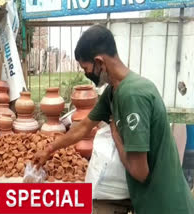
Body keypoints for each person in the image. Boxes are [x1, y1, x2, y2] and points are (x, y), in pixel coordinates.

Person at [35, 25, 194, 214]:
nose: (87, 75)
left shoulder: (132, 95)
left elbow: (140, 172)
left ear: (99, 62)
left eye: (86, 69)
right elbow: (83, 127)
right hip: (147, 201)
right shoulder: (113, 92)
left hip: (164, 205)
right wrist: (49, 150)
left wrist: (116, 137)